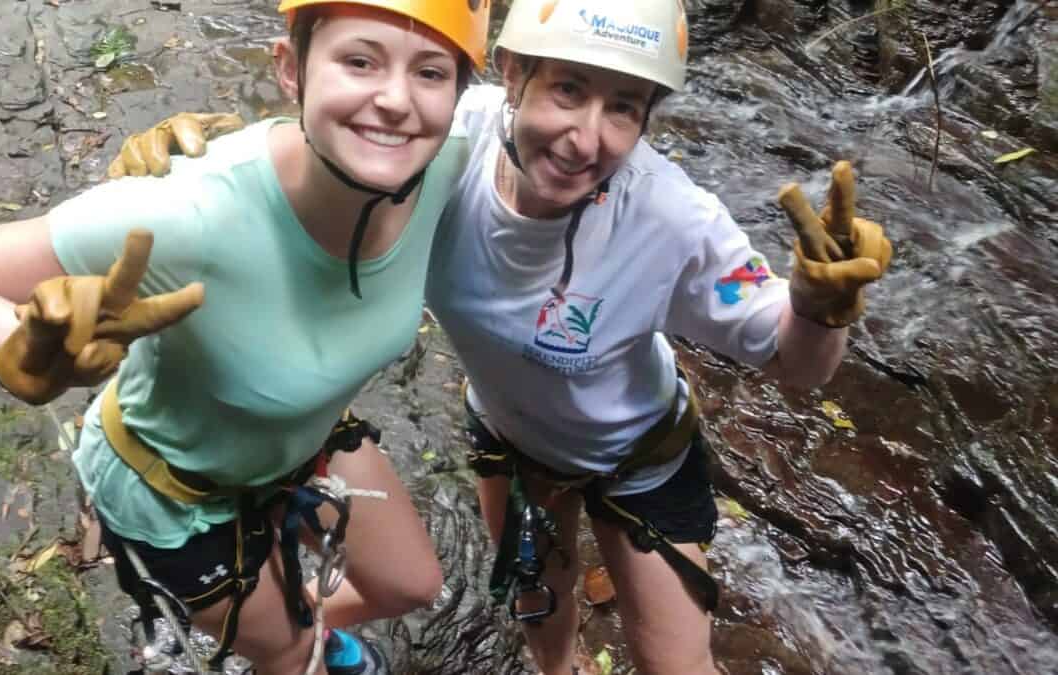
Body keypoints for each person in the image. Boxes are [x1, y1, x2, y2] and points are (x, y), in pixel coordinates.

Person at [103, 1, 893, 673]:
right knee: (544, 632)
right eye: (569, 90)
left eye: (623, 107)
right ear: (513, 73)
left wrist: (820, 311)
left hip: (640, 459)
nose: (586, 138)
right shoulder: (452, 146)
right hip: (511, 446)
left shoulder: (675, 224)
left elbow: (797, 367)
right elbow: (335, 139)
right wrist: (192, 176)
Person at [0, 1, 492, 674]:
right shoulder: (188, 212)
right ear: (289, 68)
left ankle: (286, 626)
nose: (395, 99)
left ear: (458, 95)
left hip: (297, 436)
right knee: (287, 651)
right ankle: (286, 642)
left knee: (410, 584)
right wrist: (21, 335)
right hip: (170, 486)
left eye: (430, 72)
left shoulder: (454, 159)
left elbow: (568, 120)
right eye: (358, 61)